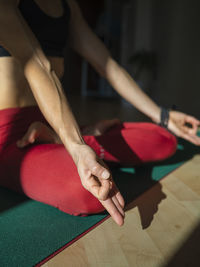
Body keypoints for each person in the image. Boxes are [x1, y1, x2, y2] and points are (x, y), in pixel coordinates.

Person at [0, 0, 199, 227]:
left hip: (56, 123)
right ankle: (77, 142)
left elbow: (108, 66)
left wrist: (163, 116)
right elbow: (39, 64)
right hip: (9, 136)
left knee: (163, 139)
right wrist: (76, 146)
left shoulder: (68, 6)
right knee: (91, 194)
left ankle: (65, 140)